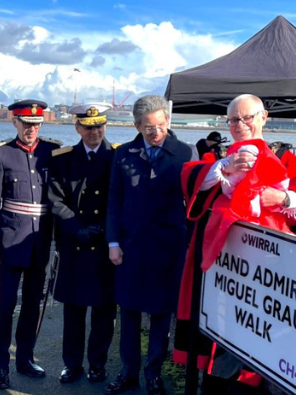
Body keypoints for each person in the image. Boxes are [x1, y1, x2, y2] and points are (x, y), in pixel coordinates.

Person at [173, 94, 296, 394]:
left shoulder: (285, 159)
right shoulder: (217, 156)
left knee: (261, 347)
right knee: (220, 349)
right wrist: (225, 166)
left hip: (266, 278)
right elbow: (188, 177)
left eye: (247, 117)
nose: (240, 124)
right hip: (224, 275)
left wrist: (285, 198)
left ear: (263, 117)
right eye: (233, 119)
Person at [104, 95, 198, 395]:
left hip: (169, 248)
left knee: (160, 315)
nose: (155, 132)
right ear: (137, 126)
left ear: (168, 121)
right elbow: (114, 201)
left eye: (160, 125)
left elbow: (194, 204)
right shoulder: (124, 154)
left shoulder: (184, 153)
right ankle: (128, 372)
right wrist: (113, 242)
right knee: (129, 313)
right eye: (148, 128)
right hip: (131, 246)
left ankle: (153, 373)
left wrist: (190, 247)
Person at [0, 99, 62, 390]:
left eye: (36, 124)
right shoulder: (2, 153)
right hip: (9, 242)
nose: (31, 129)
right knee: (6, 304)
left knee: (33, 303)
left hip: (41, 240)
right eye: (26, 124)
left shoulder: (52, 152)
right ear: (14, 123)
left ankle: (25, 358)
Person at [48, 103, 118, 385]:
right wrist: (76, 228)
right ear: (78, 128)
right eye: (89, 127)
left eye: (99, 126)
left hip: (104, 245)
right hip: (74, 243)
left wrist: (101, 229)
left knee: (104, 310)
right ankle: (72, 364)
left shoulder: (117, 157)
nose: (95, 132)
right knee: (73, 311)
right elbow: (55, 198)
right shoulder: (63, 158)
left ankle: (97, 364)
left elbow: (121, 200)